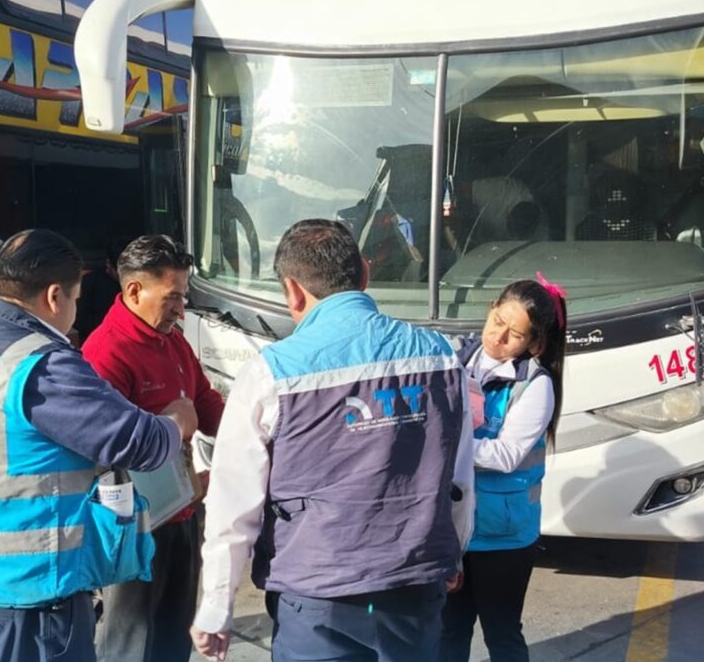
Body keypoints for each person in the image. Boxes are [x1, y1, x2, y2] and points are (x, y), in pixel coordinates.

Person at [190, 219, 476, 662]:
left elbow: (233, 503)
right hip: (414, 586)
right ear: (364, 272)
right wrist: (452, 551)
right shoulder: (442, 357)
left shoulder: (270, 374)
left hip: (315, 596)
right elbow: (458, 478)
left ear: (293, 290)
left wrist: (216, 605)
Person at [0, 229, 199, 662]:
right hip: (26, 601)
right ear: (54, 297)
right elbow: (138, 442)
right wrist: (177, 422)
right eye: (77, 300)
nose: (74, 312)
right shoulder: (38, 364)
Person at [81, 235, 225, 662]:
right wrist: (170, 424)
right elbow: (102, 450)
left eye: (184, 296)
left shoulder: (173, 340)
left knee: (172, 639)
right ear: (134, 291)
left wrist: (256, 433)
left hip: (181, 513)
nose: (181, 309)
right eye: (173, 297)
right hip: (134, 529)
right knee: (132, 644)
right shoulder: (106, 353)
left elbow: (206, 403)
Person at [439, 274, 568, 662]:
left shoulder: (535, 385)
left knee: (502, 632)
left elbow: (508, 454)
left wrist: (446, 448)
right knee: (448, 632)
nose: (498, 337)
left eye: (514, 333)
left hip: (503, 538)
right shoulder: (456, 359)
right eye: (497, 321)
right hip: (453, 529)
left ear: (535, 344)